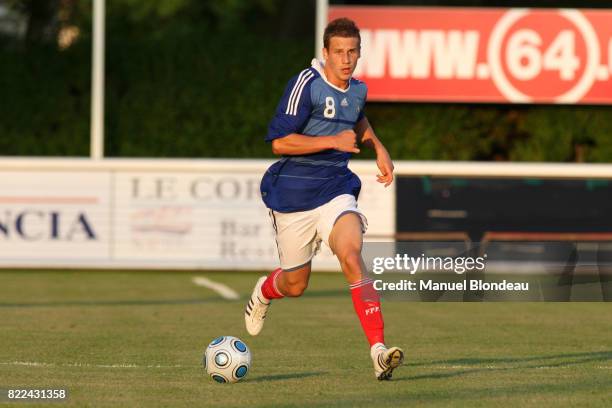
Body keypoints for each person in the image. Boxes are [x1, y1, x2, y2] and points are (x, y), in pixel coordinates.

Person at [244, 17, 403, 380]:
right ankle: (265, 291)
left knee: (351, 254)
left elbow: (357, 117)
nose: (346, 60)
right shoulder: (307, 85)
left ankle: (378, 350)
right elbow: (280, 143)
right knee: (295, 285)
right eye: (339, 52)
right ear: (325, 53)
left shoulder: (358, 89)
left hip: (335, 189)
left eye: (352, 52)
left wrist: (378, 147)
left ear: (359, 54)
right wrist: (332, 141)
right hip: (293, 196)